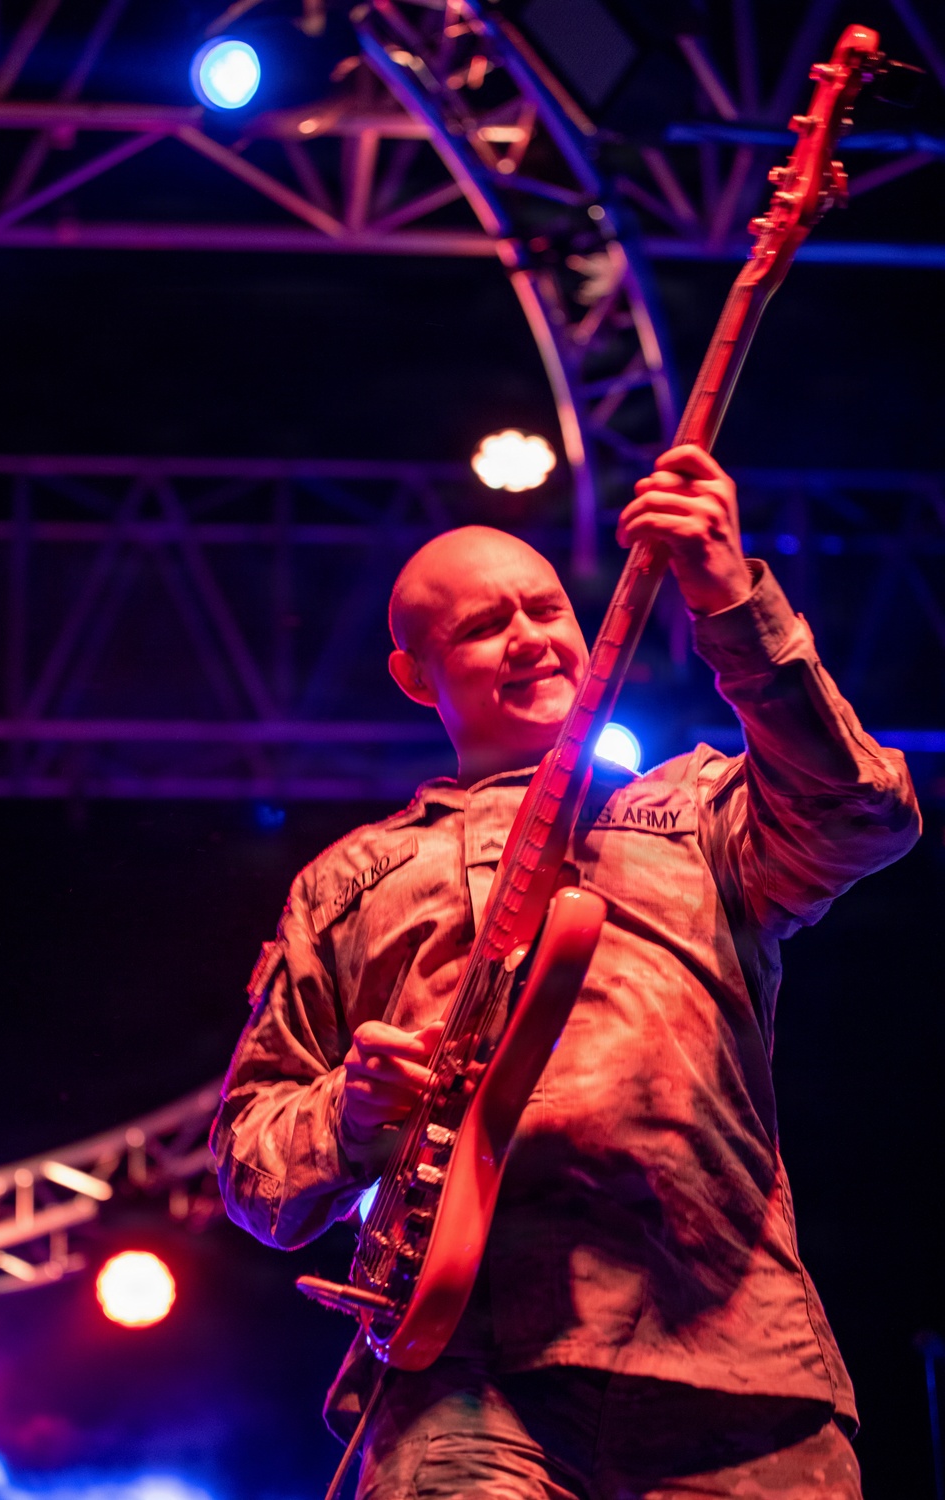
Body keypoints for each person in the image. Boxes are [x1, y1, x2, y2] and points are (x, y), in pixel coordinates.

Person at [211, 446, 920, 1499]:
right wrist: (353, 1114)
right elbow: (249, 1162)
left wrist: (731, 598)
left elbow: (862, 814)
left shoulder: (697, 810)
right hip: (464, 1375)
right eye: (483, 627)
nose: (531, 639)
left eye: (544, 609)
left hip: (736, 1363)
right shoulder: (349, 880)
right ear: (417, 675)